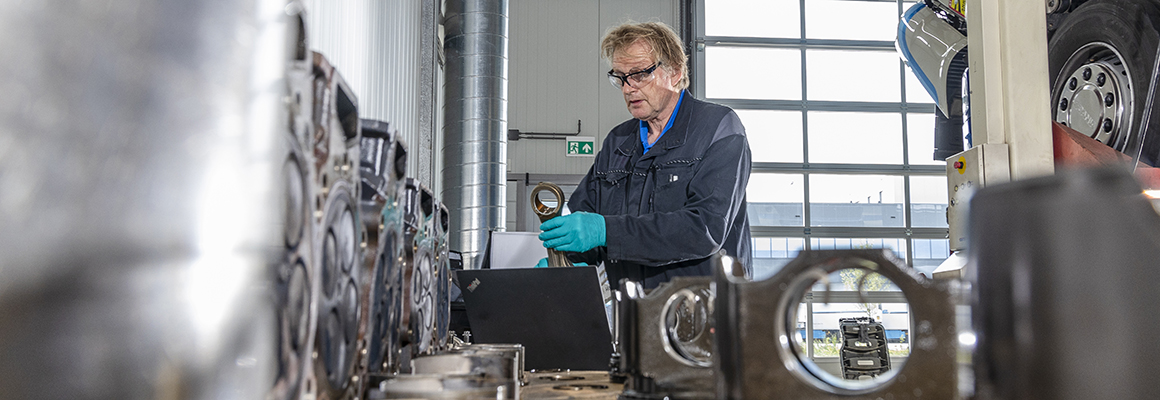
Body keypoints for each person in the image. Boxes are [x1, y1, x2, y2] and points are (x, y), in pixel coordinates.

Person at [537, 21, 752, 289]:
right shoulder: (618, 141)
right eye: (621, 77)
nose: (628, 88)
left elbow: (703, 229)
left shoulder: (718, 128)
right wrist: (566, 259)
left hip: (705, 315)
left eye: (639, 74)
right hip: (633, 314)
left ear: (675, 71)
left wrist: (606, 231)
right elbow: (586, 218)